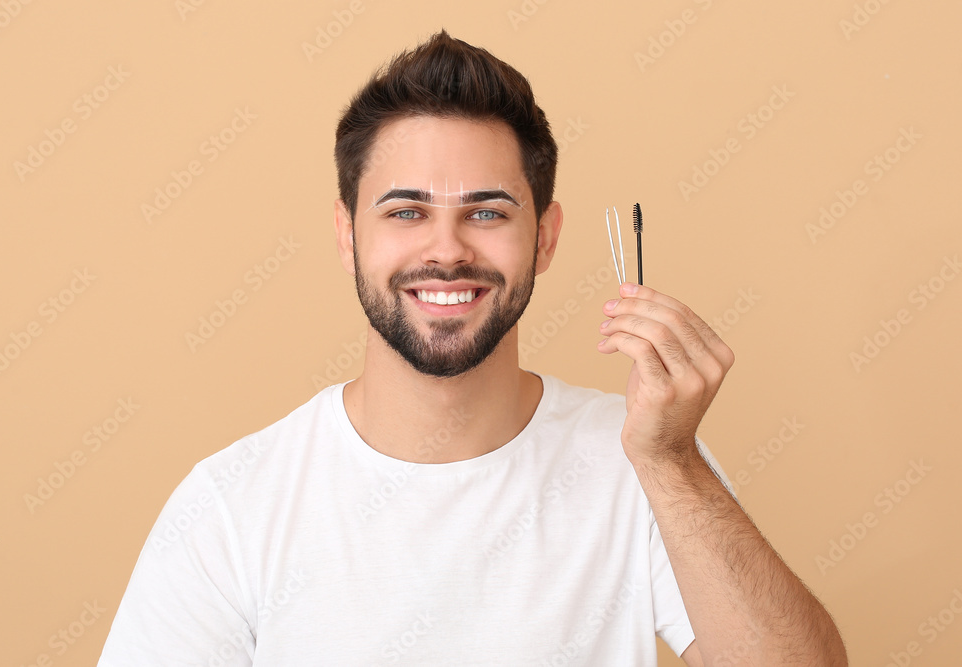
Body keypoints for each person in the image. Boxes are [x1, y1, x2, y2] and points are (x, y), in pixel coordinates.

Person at [99, 29, 847, 665]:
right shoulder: (231, 505)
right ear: (346, 233)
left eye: (487, 211)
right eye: (407, 211)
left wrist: (672, 461)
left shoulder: (645, 463)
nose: (446, 250)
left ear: (545, 236)